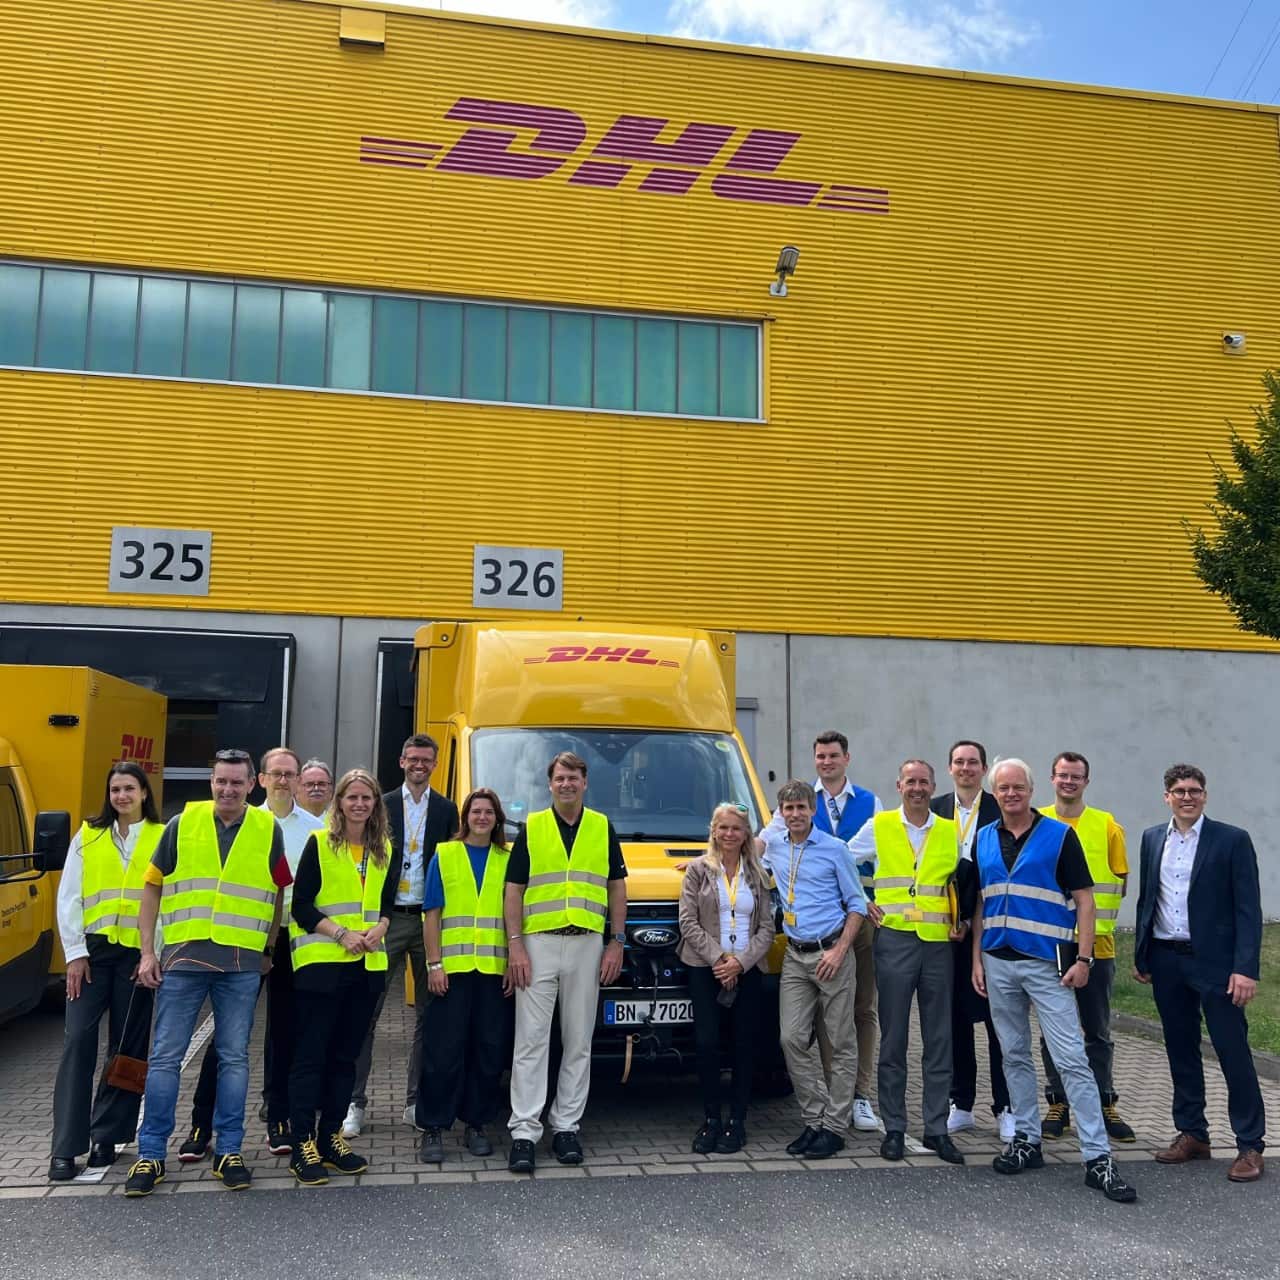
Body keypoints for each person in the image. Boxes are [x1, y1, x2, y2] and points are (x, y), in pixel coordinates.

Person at [124, 749, 291, 1197]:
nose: (228, 789)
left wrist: (268, 947)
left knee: (234, 1059)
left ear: (253, 784)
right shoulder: (183, 824)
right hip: (183, 961)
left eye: (237, 782)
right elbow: (152, 887)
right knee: (163, 1058)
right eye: (221, 781)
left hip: (240, 965)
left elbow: (277, 892)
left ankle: (230, 1152)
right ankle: (151, 1155)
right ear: (211, 782)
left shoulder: (267, 828)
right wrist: (147, 953)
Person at [971, 758, 1136, 1202]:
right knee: (1014, 1056)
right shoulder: (984, 838)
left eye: (1018, 787)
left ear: (1030, 789)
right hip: (998, 962)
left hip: (1048, 965)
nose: (1011, 794)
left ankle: (1097, 1157)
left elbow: (1084, 901)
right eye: (1003, 788)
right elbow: (982, 905)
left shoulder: (1060, 836)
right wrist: (976, 960)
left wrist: (1083, 958)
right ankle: (1026, 1140)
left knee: (1071, 1059)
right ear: (995, 792)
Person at [180, 746, 322, 1163]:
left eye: (289, 774)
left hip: (295, 943)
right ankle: (200, 1123)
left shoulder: (317, 829)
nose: (282, 780)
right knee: (227, 1036)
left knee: (285, 1034)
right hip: (246, 942)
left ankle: (278, 1118)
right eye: (274, 774)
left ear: (299, 779)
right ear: (260, 780)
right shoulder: (249, 822)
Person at [1134, 764, 1266, 1183]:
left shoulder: (1231, 840)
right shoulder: (1153, 838)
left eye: (1194, 790)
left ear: (1205, 796)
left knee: (1232, 1050)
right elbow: (1147, 897)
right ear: (1166, 797)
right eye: (1178, 790)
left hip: (1217, 965)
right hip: (1166, 959)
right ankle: (1193, 1133)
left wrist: (1245, 968)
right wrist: (1143, 954)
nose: (1186, 796)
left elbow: (1249, 909)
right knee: (1179, 1048)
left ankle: (1250, 1144)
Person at [504, 751, 628, 1174]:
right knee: (531, 1040)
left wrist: (617, 942)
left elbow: (616, 887)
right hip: (538, 944)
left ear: (585, 781)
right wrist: (515, 946)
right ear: (550, 783)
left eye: (573, 777)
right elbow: (514, 890)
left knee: (579, 1040)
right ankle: (524, 1131)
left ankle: (566, 1127)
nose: (566, 784)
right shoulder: (533, 826)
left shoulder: (601, 826)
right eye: (559, 778)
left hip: (587, 945)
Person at [48, 763, 165, 1181]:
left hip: (137, 954)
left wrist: (153, 953)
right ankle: (65, 1147)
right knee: (78, 1040)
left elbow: (168, 901)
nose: (121, 796)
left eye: (129, 788)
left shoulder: (161, 835)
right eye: (115, 789)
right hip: (92, 954)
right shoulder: (89, 836)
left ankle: (107, 1138)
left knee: (128, 1046)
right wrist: (75, 954)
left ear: (144, 793)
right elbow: (69, 898)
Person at [764, 730, 883, 1132]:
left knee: (848, 1026)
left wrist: (841, 948)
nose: (794, 814)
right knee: (793, 1037)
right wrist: (702, 860)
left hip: (842, 939)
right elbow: (746, 853)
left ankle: (843, 1114)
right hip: (798, 950)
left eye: (800, 807)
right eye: (788, 809)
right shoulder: (778, 839)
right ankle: (818, 1112)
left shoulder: (849, 829)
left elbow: (855, 885)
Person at [849, 760, 964, 1164]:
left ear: (933, 787)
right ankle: (894, 1127)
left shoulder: (951, 830)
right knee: (894, 1039)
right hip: (894, 940)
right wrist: (861, 901)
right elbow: (843, 860)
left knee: (938, 1040)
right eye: (910, 781)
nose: (917, 788)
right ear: (899, 785)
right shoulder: (879, 826)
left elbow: (963, 882)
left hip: (936, 944)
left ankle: (936, 1129)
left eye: (923, 782)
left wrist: (961, 918)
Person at [344, 734, 458, 1138]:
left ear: (435, 763)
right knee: (366, 1011)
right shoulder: (383, 804)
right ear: (401, 760)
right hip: (388, 919)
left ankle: (416, 1103)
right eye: (413, 759)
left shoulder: (446, 809)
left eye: (426, 760)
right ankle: (353, 1104)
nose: (419, 765)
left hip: (428, 919)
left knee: (431, 1016)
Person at [286, 769, 397, 1185]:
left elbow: (386, 903)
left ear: (375, 805)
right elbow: (301, 907)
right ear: (340, 802)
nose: (359, 804)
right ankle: (302, 1144)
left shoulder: (383, 847)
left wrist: (382, 927)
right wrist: (342, 934)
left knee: (345, 1058)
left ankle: (331, 1137)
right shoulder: (319, 844)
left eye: (366, 798)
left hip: (367, 968)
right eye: (351, 797)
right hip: (323, 967)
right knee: (311, 1057)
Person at [1037, 752, 1134, 1143]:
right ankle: (1057, 1102)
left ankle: (1104, 1100)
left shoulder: (1107, 825)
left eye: (1076, 776)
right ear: (1052, 778)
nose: (1069, 782)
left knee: (1097, 1030)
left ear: (1086, 782)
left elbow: (1119, 884)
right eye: (1063, 775)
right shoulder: (1037, 820)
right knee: (1053, 1029)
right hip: (1050, 944)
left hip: (1098, 945)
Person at [417, 788, 513, 1163]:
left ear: (497, 819)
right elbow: (432, 914)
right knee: (443, 1051)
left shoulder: (508, 858)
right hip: (451, 971)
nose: (482, 817)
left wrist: (511, 960)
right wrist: (433, 964)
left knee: (487, 1051)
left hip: (493, 970)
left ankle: (477, 1123)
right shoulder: (446, 854)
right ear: (465, 817)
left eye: (489, 812)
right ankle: (434, 1127)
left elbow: (514, 915)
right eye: (476, 811)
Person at [677, 802, 775, 1155]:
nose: (730, 834)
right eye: (724, 828)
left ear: (746, 833)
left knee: (743, 1045)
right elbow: (687, 922)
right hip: (706, 968)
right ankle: (711, 1119)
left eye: (736, 828)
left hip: (747, 970)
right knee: (707, 1044)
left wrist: (740, 963)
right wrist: (720, 959)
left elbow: (766, 927)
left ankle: (737, 1120)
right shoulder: (698, 871)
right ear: (713, 831)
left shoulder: (758, 874)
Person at [931, 739, 1012, 1141]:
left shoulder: (1001, 809)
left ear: (984, 770)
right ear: (950, 768)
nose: (965, 768)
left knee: (1000, 1021)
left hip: (992, 927)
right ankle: (960, 1103)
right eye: (958, 762)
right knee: (955, 1021)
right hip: (944, 932)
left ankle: (1006, 1107)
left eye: (973, 762)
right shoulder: (934, 808)